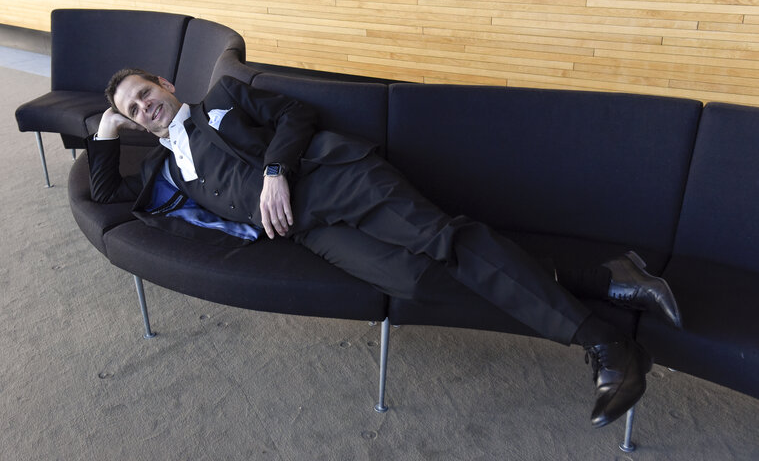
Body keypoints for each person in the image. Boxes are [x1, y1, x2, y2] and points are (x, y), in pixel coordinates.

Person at [88, 68, 682, 428]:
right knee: (420, 282)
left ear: (165, 83)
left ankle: (607, 343)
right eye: (133, 110)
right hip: (313, 231)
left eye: (145, 93)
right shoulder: (169, 170)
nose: (145, 106)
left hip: (337, 178)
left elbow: (298, 112)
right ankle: (605, 279)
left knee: (445, 241)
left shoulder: (223, 95)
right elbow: (108, 191)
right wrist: (105, 131)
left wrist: (274, 171)